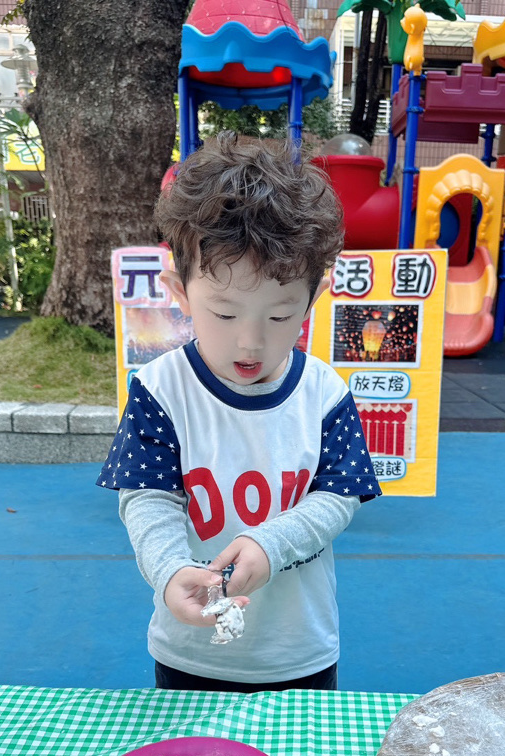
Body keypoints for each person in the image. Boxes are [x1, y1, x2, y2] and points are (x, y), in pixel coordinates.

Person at [97, 132, 379, 693]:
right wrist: (170, 570)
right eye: (224, 314)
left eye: (279, 317)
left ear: (313, 298)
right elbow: (148, 499)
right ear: (180, 291)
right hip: (190, 646)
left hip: (297, 649)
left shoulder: (323, 392)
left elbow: (338, 496)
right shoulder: (160, 389)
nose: (250, 342)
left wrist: (271, 544)